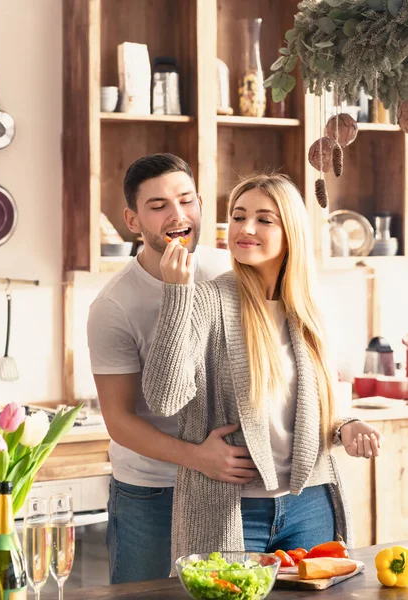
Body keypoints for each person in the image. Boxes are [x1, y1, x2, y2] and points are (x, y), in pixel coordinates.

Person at [142, 173, 384, 566]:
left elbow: (325, 404)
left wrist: (347, 426)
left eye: (264, 219)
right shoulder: (206, 299)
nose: (245, 229)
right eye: (238, 216)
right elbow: (165, 398)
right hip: (233, 508)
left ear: (290, 232)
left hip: (311, 504)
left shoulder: (311, 308)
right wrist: (176, 293)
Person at [87, 153, 259, 584]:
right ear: (133, 220)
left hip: (227, 485)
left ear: (201, 204)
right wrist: (199, 458)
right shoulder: (113, 307)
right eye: (158, 205)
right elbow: (120, 421)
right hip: (151, 493)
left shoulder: (230, 271)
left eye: (186, 200)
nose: (178, 215)